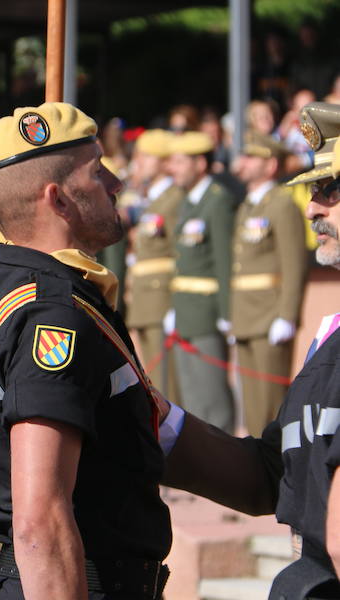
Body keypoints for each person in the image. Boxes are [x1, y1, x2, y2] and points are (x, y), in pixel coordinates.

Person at [0, 103, 173, 600]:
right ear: (59, 198)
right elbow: (41, 521)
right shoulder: (55, 314)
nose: (115, 182)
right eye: (97, 171)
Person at [162, 100, 340, 600]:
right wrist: (163, 426)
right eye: (314, 190)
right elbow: (275, 471)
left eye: (332, 189)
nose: (314, 208)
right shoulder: (330, 338)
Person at [229, 132, 308, 436]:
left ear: (271, 165)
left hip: (269, 313)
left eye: (253, 157)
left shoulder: (282, 204)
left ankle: (277, 472)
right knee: (251, 406)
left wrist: (287, 315)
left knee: (271, 405)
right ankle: (260, 469)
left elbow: (294, 264)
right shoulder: (248, 205)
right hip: (246, 314)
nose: (244, 163)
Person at [164, 131, 237, 432]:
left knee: (213, 398)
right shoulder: (190, 203)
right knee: (193, 397)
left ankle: (225, 466)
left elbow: (224, 262)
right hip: (186, 311)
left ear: (200, 164)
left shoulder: (217, 202)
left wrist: (226, 314)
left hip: (208, 313)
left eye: (180, 162)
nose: (173, 168)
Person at [125, 129, 184, 407]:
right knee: (155, 376)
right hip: (146, 297)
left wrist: (176, 301)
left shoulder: (174, 199)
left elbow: (179, 252)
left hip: (162, 297)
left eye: (147, 156)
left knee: (167, 381)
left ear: (163, 162)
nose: (139, 161)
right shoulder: (153, 199)